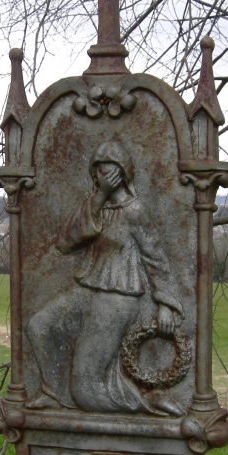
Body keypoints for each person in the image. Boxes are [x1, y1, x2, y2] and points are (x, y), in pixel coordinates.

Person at [26, 138, 185, 416]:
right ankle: (52, 393)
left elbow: (156, 258)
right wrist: (99, 197)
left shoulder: (135, 210)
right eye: (98, 169)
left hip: (117, 298)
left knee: (86, 391)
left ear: (123, 172)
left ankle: (150, 399)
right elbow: (66, 242)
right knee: (39, 325)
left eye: (109, 169)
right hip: (88, 290)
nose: (103, 174)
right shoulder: (94, 206)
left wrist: (166, 306)